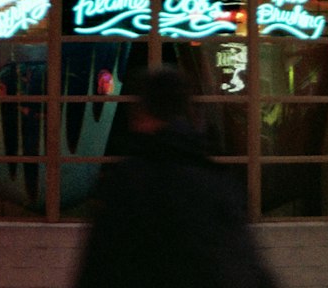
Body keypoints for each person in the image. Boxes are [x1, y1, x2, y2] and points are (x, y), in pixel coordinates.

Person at [72, 65, 277, 288]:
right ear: (187, 110)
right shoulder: (216, 179)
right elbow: (249, 264)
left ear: (142, 112)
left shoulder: (129, 184)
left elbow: (97, 271)